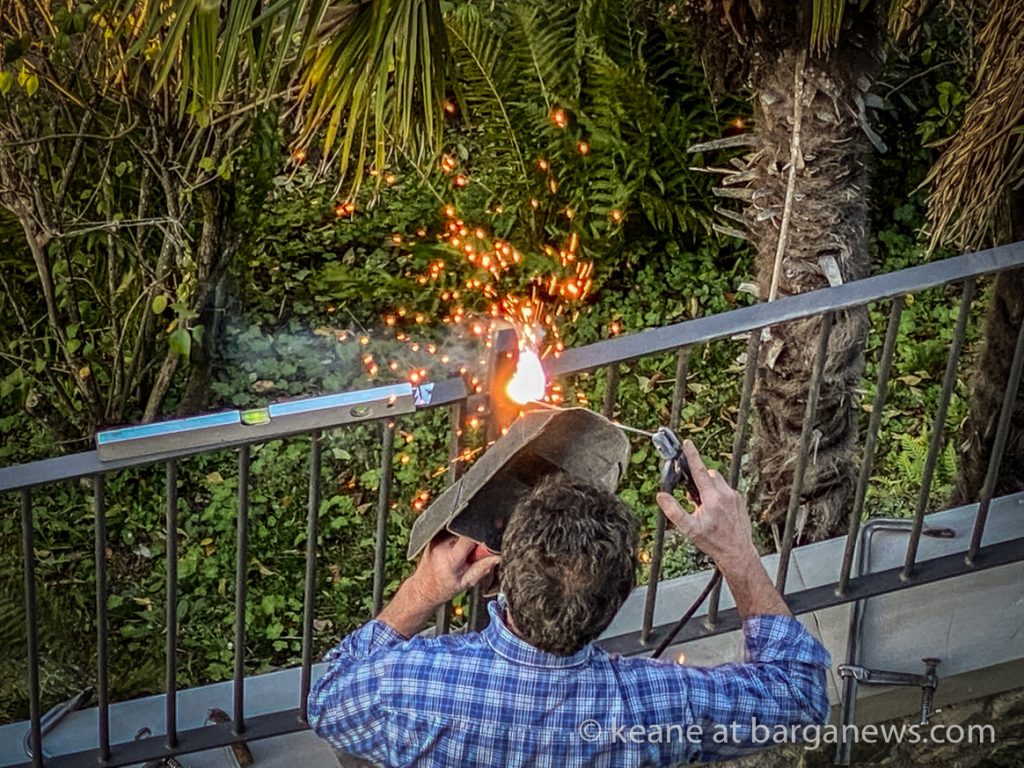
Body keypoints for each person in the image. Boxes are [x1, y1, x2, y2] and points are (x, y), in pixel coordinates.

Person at [308, 441, 831, 766]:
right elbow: (800, 696)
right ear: (617, 599)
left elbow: (325, 701)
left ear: (505, 571)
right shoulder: (656, 707)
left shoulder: (404, 688)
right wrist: (737, 554)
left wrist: (421, 591)